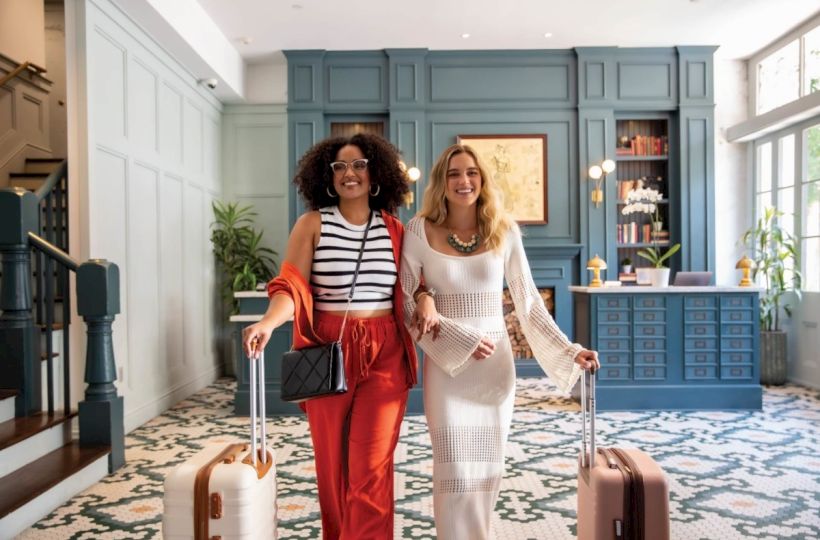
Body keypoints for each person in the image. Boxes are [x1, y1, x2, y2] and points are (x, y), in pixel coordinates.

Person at [401, 143, 600, 540]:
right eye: (455, 173)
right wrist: (455, 331)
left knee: (488, 469)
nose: (464, 181)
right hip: (446, 368)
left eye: (472, 173)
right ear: (442, 182)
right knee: (454, 467)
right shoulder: (419, 230)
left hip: (494, 370)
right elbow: (406, 302)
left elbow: (528, 303)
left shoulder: (504, 230)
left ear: (482, 180)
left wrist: (569, 349)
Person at [242, 133, 419, 540]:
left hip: (385, 351)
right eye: (340, 166)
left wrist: (425, 300)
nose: (349, 173)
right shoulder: (312, 224)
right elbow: (291, 285)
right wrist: (269, 321)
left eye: (358, 165)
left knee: (371, 470)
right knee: (333, 470)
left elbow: (414, 284)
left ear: (375, 173)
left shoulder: (394, 229)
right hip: (328, 347)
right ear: (327, 175)